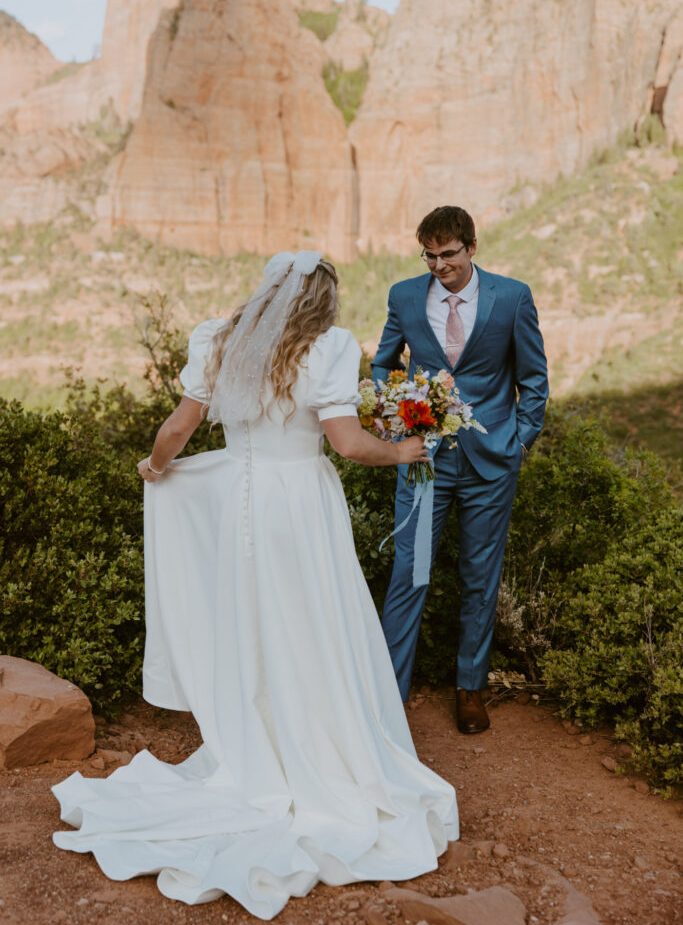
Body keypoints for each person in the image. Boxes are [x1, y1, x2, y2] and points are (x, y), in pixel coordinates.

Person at [51, 250, 458, 920]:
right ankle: (317, 740)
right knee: (310, 619)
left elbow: (178, 428)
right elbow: (349, 444)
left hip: (240, 502)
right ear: (322, 302)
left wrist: (154, 468)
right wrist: (404, 452)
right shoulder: (327, 347)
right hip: (299, 502)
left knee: (257, 620)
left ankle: (261, 739)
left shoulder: (220, 340)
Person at [372, 206, 549, 734]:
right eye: (429, 255)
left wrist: (518, 441)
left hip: (491, 462)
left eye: (448, 254)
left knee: (479, 576)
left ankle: (470, 689)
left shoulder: (512, 297)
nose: (438, 265)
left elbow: (534, 378)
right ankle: (387, 691)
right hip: (424, 460)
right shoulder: (404, 296)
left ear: (471, 247)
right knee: (410, 571)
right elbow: (384, 361)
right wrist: (397, 415)